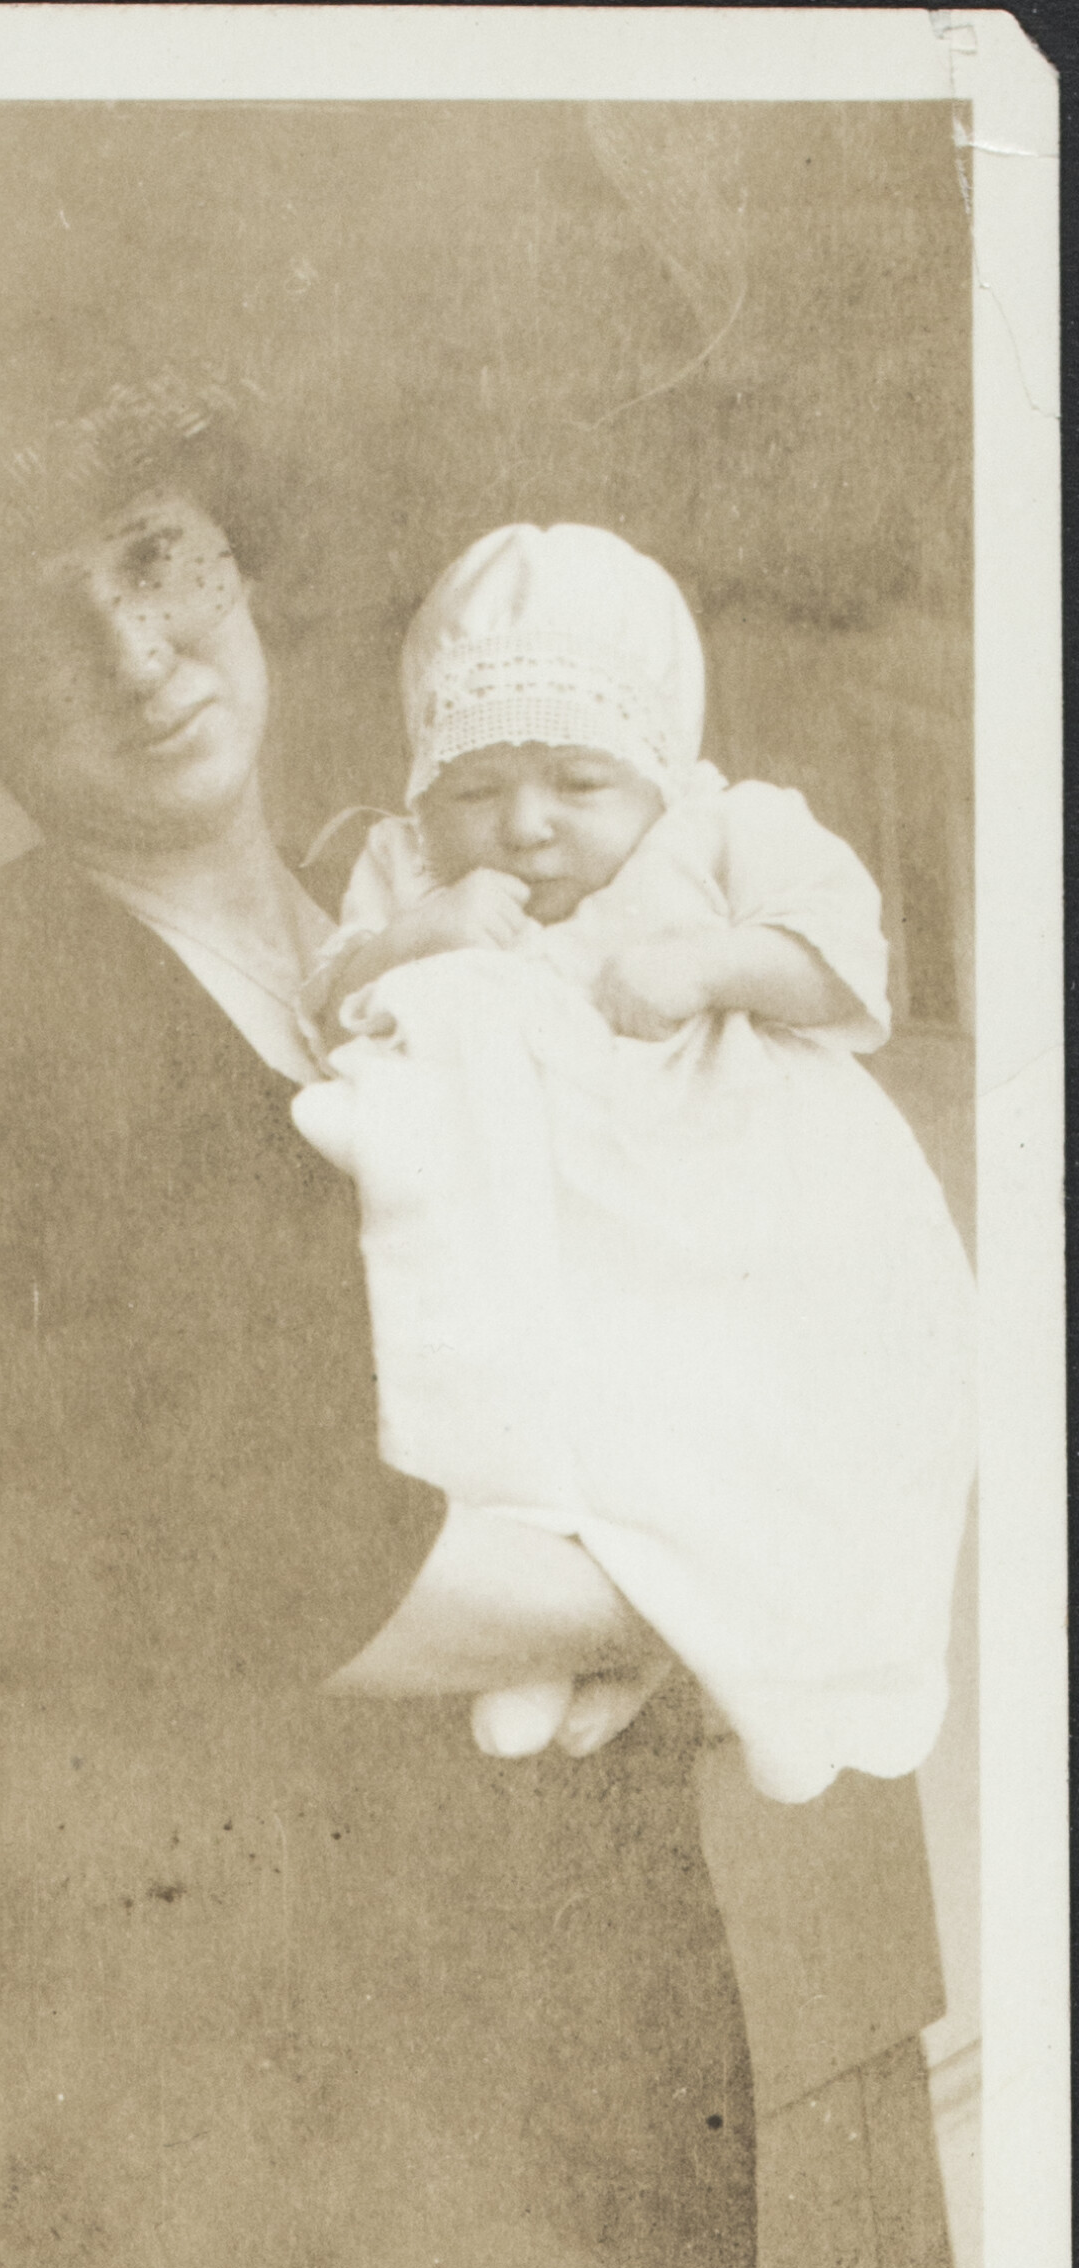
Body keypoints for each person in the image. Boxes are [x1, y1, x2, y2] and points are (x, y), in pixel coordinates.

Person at [0, 302, 756, 2268]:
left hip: (584, 1958)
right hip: (254, 2035)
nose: (139, 652)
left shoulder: (432, 927)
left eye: (151, 555)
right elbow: (209, 1554)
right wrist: (685, 1592)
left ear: (226, 553)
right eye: (40, 625)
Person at [293, 524, 975, 1802]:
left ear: (654, 772)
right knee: (547, 1410)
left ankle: (675, 1645)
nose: (523, 825)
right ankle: (555, 1643)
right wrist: (418, 938)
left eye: (573, 781)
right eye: (476, 787)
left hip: (704, 1186)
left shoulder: (722, 831)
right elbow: (324, 997)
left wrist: (709, 965)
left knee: (715, 1421)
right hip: (535, 1224)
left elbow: (842, 957)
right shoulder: (403, 868)